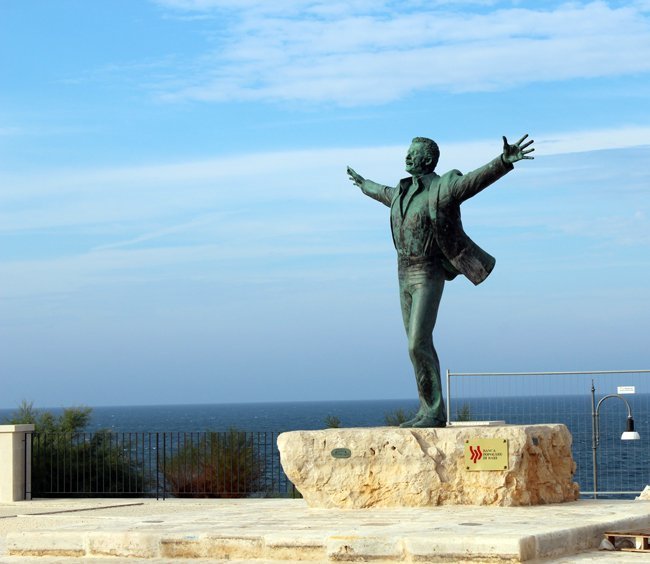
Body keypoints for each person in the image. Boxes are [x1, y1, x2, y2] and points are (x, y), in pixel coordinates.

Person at [347, 135, 534, 427]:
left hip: (427, 271)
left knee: (416, 342)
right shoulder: (401, 191)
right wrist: (362, 184)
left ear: (428, 160)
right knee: (418, 344)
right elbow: (379, 191)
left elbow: (473, 182)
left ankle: (433, 411)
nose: (407, 157)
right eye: (407, 152)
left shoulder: (442, 187)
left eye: (413, 154)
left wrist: (502, 162)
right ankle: (427, 409)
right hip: (402, 274)